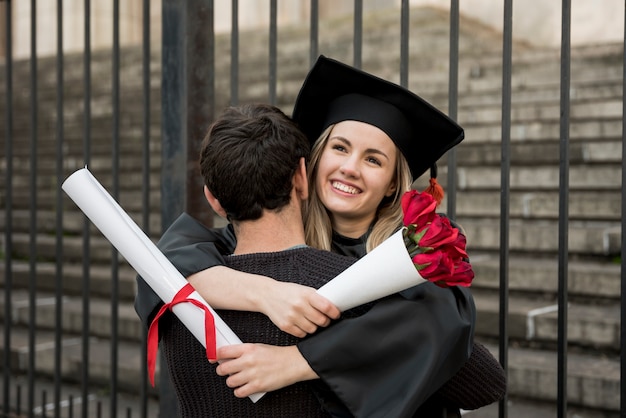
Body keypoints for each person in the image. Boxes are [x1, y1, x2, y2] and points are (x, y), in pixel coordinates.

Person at [136, 56, 506, 416]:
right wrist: (266, 293)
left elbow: (451, 336)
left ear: (394, 183)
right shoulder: (245, 241)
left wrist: (298, 361)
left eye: (373, 160)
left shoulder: (412, 260)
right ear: (310, 162)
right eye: (340, 148)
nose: (349, 168)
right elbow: (164, 265)